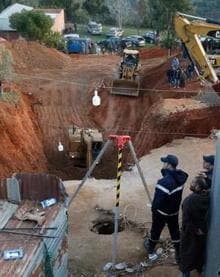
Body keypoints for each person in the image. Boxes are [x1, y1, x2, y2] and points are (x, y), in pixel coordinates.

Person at [144, 154, 188, 262]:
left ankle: (150, 250)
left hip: (162, 213)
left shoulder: (164, 182)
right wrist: (165, 173)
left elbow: (157, 203)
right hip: (174, 212)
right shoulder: (181, 177)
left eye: (164, 162)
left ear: (168, 165)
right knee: (175, 232)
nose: (163, 164)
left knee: (156, 231)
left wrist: (154, 210)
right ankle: (179, 254)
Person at [179, 176, 210, 277]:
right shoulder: (207, 198)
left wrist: (195, 230)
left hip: (190, 233)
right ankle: (199, 270)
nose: (191, 184)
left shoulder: (189, 201)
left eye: (193, 183)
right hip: (202, 232)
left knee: (186, 256)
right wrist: (200, 230)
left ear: (198, 187)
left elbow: (186, 221)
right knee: (199, 254)